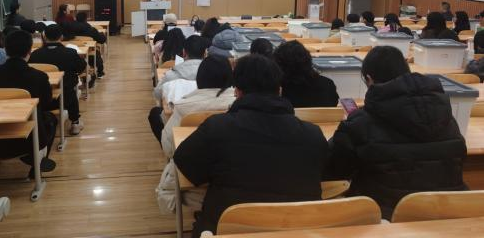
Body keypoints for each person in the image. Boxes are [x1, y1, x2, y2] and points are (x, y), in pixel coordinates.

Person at [174, 54, 328, 237]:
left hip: (228, 229)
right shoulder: (314, 135)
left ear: (237, 92)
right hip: (301, 230)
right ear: (279, 90)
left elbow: (185, 163)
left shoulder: (217, 127)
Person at [325, 46, 466, 219]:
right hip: (448, 214)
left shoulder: (360, 124)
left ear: (369, 79)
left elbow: (334, 170)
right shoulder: (447, 118)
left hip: (382, 217)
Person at [0, 30, 58, 176]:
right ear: (29, 51)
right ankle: (36, 163)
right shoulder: (39, 77)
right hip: (26, 142)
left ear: (5, 49)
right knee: (50, 119)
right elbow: (46, 103)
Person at [161, 55, 234, 157]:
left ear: (199, 78)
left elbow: (168, 146)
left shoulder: (184, 107)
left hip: (188, 162)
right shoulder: (238, 105)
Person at [29, 24, 86, 135]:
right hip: (66, 99)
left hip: (42, 99)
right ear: (61, 37)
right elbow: (81, 67)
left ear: (44, 37)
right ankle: (75, 122)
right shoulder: (70, 52)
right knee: (70, 88)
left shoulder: (35, 55)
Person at [149, 35, 208, 142]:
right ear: (205, 53)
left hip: (177, 123)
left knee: (154, 113)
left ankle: (166, 142)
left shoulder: (171, 75)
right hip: (207, 122)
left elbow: (157, 94)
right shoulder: (211, 73)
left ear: (184, 53)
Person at [274, 41, 339, 107]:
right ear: (308, 59)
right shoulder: (328, 84)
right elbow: (334, 105)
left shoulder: (277, 90)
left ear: (279, 65)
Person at [72, 11, 107, 79]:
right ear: (86, 19)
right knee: (95, 51)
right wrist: (102, 35)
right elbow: (102, 40)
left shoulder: (70, 29)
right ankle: (100, 72)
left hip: (74, 53)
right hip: (89, 53)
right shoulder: (90, 29)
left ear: (76, 18)